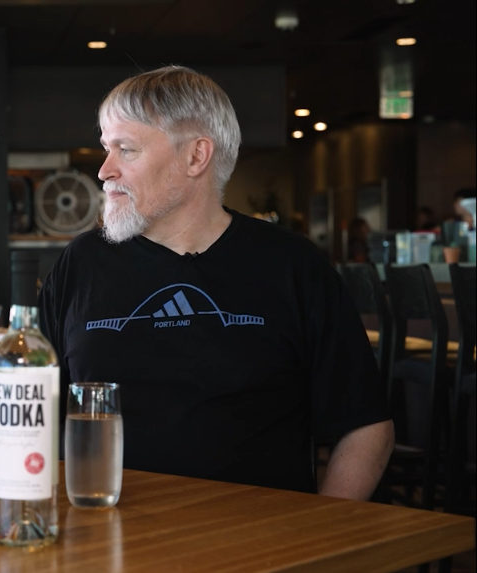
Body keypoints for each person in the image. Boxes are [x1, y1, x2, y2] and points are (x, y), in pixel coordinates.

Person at [39, 66, 394, 500]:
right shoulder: (80, 264)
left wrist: (322, 531)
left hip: (258, 535)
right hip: (105, 531)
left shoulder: (293, 265)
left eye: (125, 150)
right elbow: (31, 415)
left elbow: (366, 427)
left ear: (196, 156)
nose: (104, 171)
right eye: (105, 149)